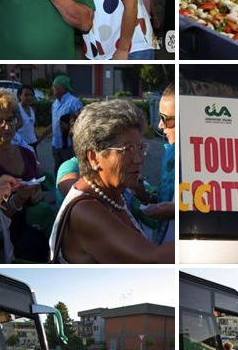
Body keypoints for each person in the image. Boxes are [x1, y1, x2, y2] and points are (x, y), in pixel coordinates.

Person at [48, 99, 174, 263]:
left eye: (140, 148)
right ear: (94, 158)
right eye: (127, 149)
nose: (139, 160)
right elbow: (153, 260)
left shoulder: (114, 194)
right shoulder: (86, 211)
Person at [0, 91, 49, 262]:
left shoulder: (27, 154)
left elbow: (38, 187)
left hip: (38, 232)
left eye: (9, 120)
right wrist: (20, 199)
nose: (7, 127)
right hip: (9, 245)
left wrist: (37, 192)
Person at [137, 81, 175, 244]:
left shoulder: (202, 158)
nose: (160, 125)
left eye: (166, 119)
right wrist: (144, 195)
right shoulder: (170, 151)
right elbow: (166, 196)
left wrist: (174, 212)